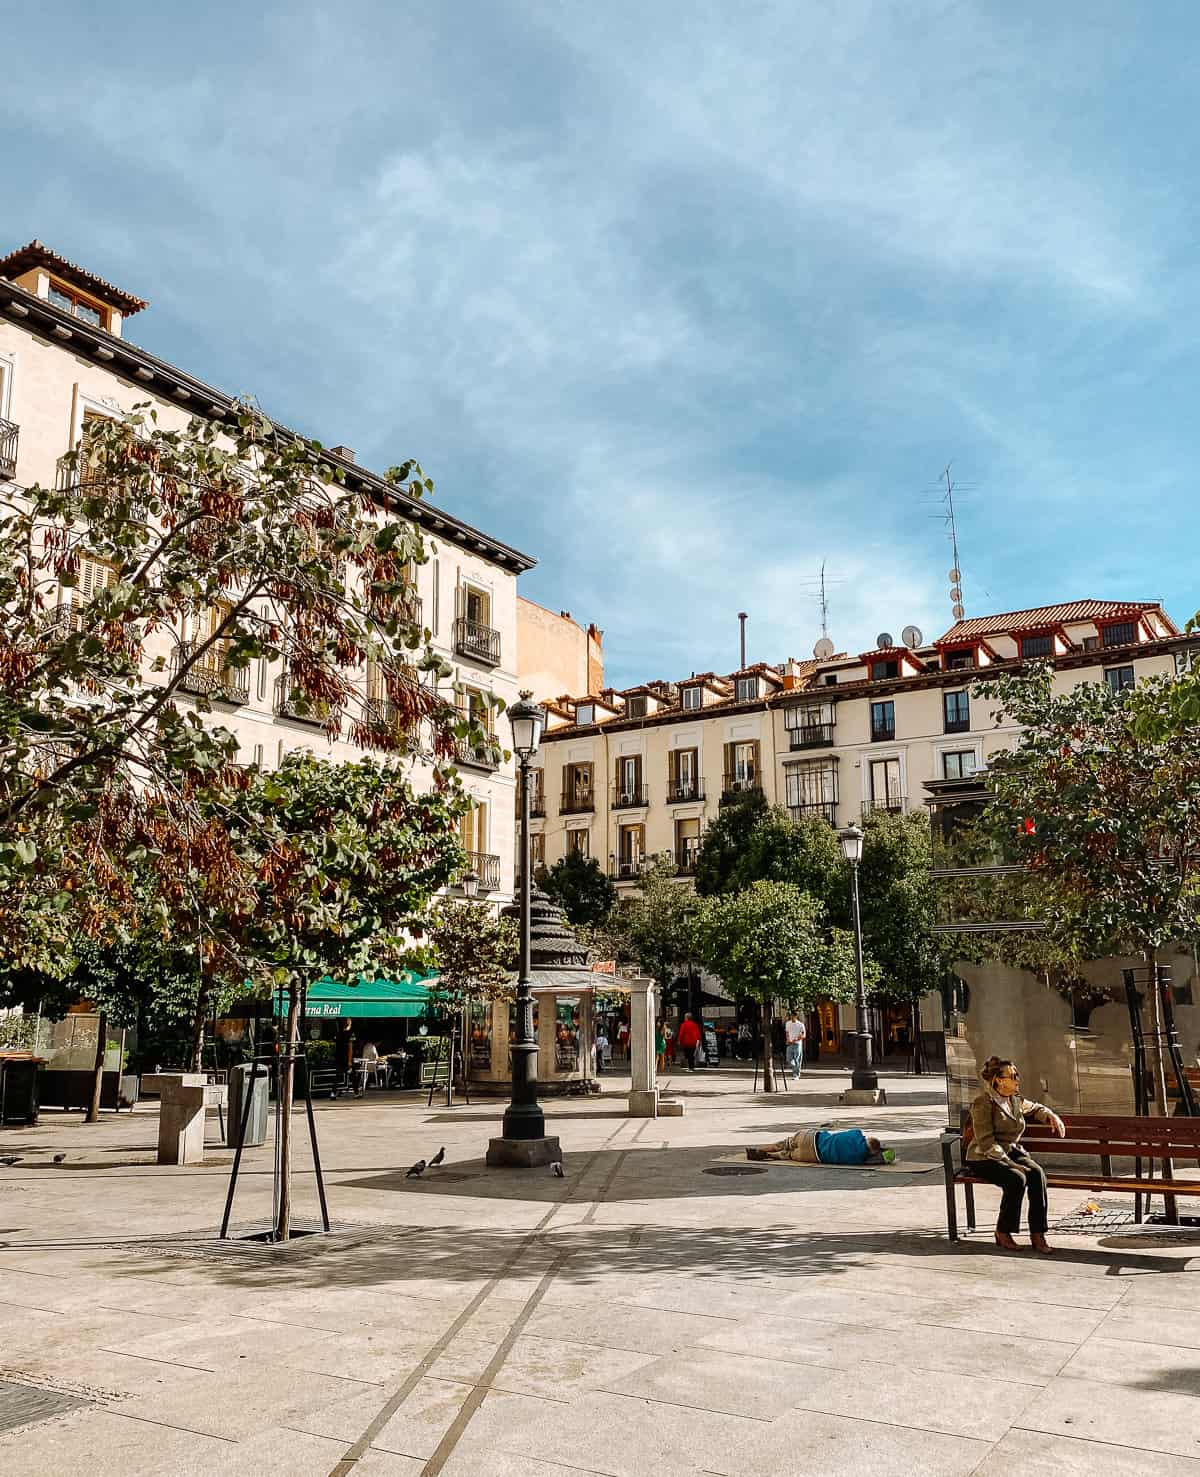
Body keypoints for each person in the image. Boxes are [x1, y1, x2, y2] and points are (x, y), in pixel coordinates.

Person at [968, 1055, 1066, 1254]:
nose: (1017, 1079)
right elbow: (986, 1142)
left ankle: (1037, 1234)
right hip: (984, 1157)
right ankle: (1003, 1231)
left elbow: (1036, 1108)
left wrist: (1051, 1115)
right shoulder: (983, 1103)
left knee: (1037, 1174)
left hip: (1010, 1150)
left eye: (1017, 1075)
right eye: (1012, 1076)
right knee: (1016, 1178)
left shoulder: (1015, 1101)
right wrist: (1011, 1164)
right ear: (998, 1080)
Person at [748, 1127, 893, 1165]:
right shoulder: (860, 1159)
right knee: (786, 1155)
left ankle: (761, 1149)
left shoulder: (857, 1134)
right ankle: (771, 1156)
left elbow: (854, 1134)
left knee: (783, 1144)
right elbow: (885, 1156)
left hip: (812, 1138)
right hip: (813, 1156)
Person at [784, 1014, 806, 1079]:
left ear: (796, 1016)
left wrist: (796, 1039)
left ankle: (796, 1074)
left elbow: (803, 1035)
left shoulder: (800, 1024)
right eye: (791, 1016)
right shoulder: (788, 1023)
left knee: (797, 1059)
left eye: (793, 1016)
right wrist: (788, 1040)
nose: (792, 1017)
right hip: (790, 1043)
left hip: (797, 1044)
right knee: (788, 1059)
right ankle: (795, 1069)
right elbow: (787, 1033)